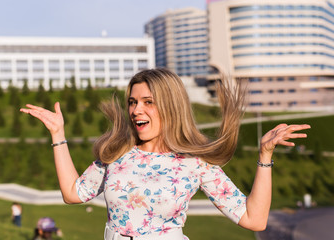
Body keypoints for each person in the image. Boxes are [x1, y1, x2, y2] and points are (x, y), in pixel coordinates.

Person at [20, 68, 310, 239]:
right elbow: (74, 193)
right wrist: (58, 135)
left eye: (148, 101)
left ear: (170, 106)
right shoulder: (118, 153)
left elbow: (253, 219)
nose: (136, 110)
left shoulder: (195, 163)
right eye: (133, 102)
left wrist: (265, 155)